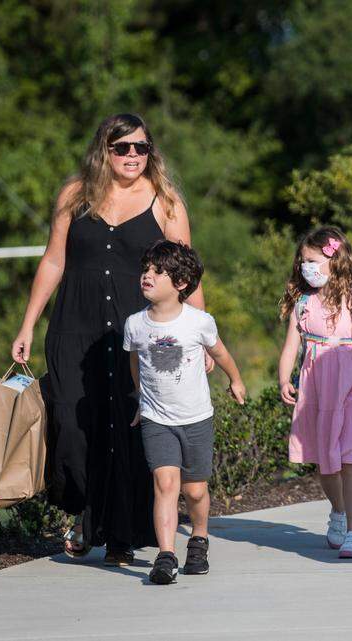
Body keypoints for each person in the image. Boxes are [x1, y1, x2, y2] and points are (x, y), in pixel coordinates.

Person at [11, 113, 207, 565]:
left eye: (141, 147)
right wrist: (26, 325)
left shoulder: (166, 202)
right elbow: (53, 262)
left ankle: (119, 534)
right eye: (123, 148)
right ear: (105, 150)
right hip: (73, 327)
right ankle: (84, 510)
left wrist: (198, 334)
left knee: (129, 429)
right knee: (71, 425)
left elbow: (188, 274)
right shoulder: (74, 195)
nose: (133, 155)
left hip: (137, 335)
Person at [123, 241, 246, 584]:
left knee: (194, 491)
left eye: (157, 272)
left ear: (180, 283)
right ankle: (166, 556)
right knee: (165, 484)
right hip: (156, 418)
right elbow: (136, 360)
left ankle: (199, 538)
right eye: (145, 269)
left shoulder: (199, 322)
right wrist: (139, 398)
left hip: (195, 419)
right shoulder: (135, 325)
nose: (147, 275)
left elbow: (219, 353)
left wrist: (235, 379)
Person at [277, 227, 352, 559]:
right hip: (317, 388)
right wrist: (284, 377)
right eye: (302, 262)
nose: (306, 268)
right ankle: (338, 512)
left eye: (312, 261)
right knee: (326, 464)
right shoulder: (303, 305)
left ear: (335, 262)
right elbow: (291, 346)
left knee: (351, 461)